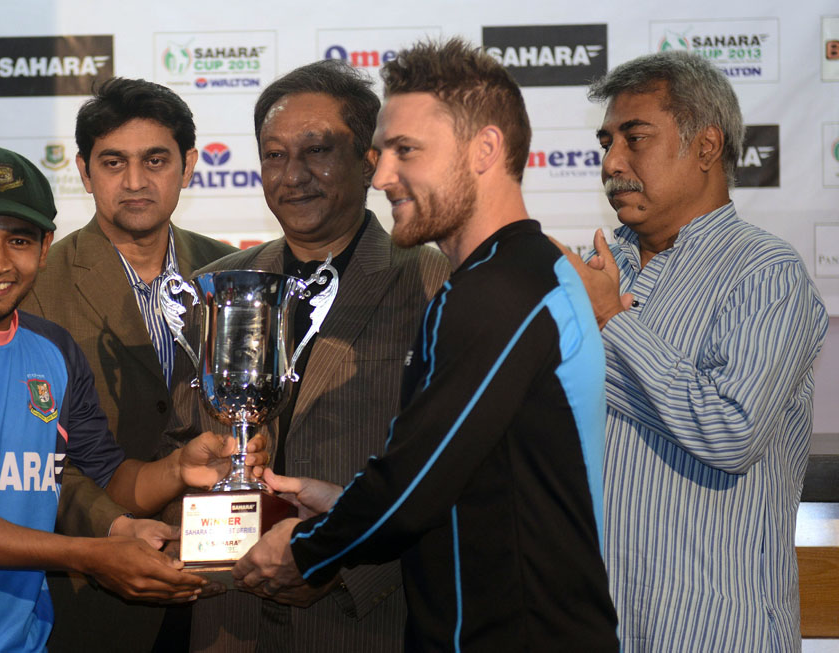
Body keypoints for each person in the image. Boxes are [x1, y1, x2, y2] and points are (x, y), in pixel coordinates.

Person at [232, 39, 619, 652]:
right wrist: (341, 503)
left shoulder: (500, 290)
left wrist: (305, 549)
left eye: (406, 151)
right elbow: (458, 475)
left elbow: (411, 493)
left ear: (485, 150)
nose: (383, 175)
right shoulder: (513, 275)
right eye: (383, 153)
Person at [0, 146, 263, 652]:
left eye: (18, 240)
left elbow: (105, 476)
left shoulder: (52, 347)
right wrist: (90, 555)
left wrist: (176, 470)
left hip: (25, 640)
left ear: (44, 247)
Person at [167, 59, 449, 653]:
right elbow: (181, 448)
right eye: (273, 155)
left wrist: (341, 564)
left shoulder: (434, 282)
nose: (292, 175)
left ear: (370, 159)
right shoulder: (216, 287)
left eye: (316, 150)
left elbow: (457, 470)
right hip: (229, 616)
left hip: (364, 620)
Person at [556, 51, 829, 651]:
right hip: (594, 623)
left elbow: (729, 433)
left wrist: (607, 322)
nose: (611, 163)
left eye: (635, 138)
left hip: (713, 628)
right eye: (606, 141)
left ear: (706, 147)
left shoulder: (765, 272)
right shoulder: (597, 267)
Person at [19, 77, 236, 651]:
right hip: (94, 597)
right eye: (113, 162)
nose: (135, 182)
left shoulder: (234, 271)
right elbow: (28, 460)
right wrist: (108, 538)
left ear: (188, 166)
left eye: (155, 160)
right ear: (85, 171)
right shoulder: (35, 288)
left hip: (229, 594)